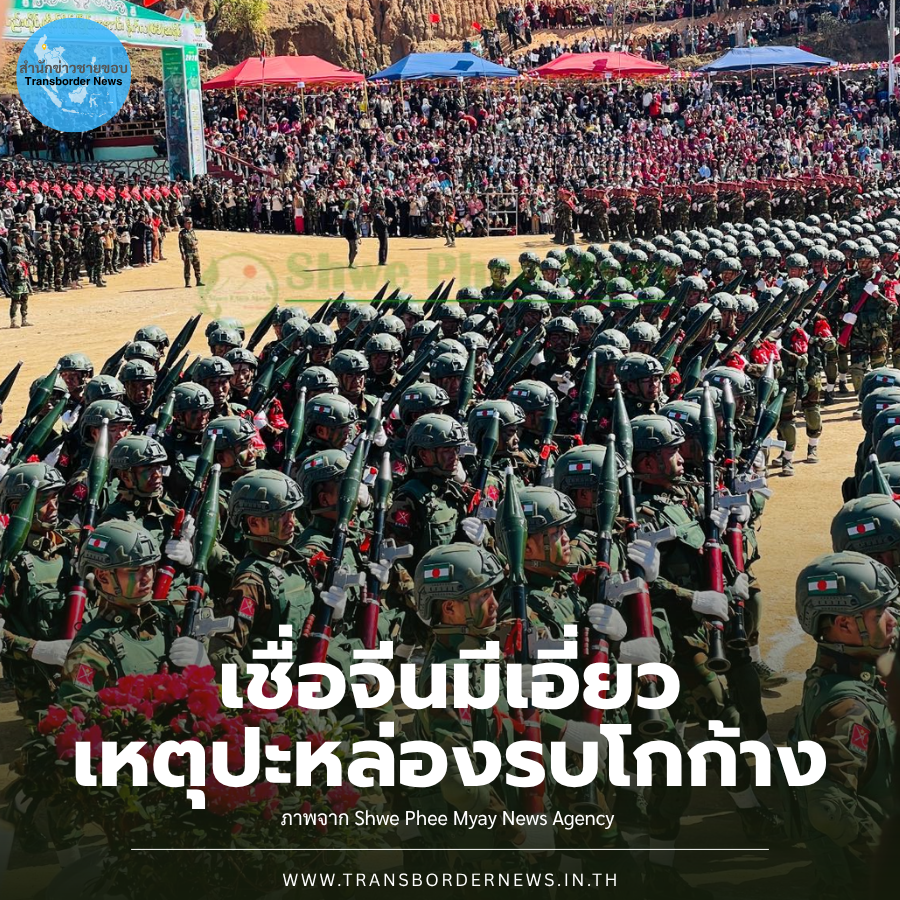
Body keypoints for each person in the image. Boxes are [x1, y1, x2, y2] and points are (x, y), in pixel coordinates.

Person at [793, 551, 897, 896]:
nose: (892, 621)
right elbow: (829, 808)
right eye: (880, 614)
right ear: (845, 624)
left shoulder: (838, 667)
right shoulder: (848, 709)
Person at [178, 216, 204, 288]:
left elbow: (196, 239)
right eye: (188, 223)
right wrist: (182, 254)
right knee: (187, 267)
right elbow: (181, 244)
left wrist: (195, 242)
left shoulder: (192, 231)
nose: (189, 225)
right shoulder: (182, 233)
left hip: (195, 251)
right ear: (185, 224)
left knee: (197, 266)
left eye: (190, 223)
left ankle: (198, 281)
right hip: (187, 252)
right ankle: (187, 282)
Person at [342, 199, 360, 268]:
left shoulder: (348, 220)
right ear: (350, 214)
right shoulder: (350, 220)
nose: (354, 214)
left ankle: (350, 262)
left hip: (350, 237)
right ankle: (351, 263)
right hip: (352, 237)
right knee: (355, 250)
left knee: (351, 250)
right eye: (353, 213)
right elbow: (353, 229)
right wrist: (357, 235)